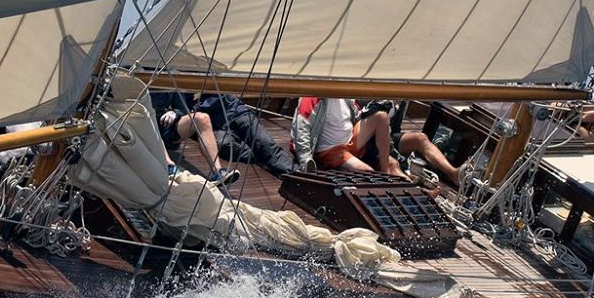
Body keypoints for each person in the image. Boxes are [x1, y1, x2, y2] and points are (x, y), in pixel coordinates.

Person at [294, 97, 465, 188]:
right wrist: (305, 161)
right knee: (368, 172)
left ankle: (386, 174)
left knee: (382, 118)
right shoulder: (313, 95)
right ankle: (407, 187)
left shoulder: (344, 92)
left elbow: (357, 113)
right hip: (331, 150)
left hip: (354, 139)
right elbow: (301, 126)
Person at [150, 90, 238, 186]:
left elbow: (182, 109)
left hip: (165, 126)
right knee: (149, 123)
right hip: (145, 127)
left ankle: (218, 172)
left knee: (202, 118)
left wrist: (174, 113)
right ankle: (170, 167)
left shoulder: (169, 79)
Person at [193, 93, 293, 177]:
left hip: (237, 111)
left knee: (264, 141)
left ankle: (293, 175)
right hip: (218, 124)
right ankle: (262, 155)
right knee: (222, 145)